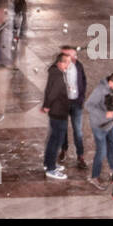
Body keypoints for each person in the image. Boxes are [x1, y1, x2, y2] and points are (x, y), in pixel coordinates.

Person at [86, 70, 113, 189]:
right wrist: (105, 114)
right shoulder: (100, 90)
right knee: (101, 151)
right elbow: (88, 105)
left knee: (112, 147)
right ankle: (94, 177)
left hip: (110, 124)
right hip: (99, 126)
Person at [41, 51, 76, 181]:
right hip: (59, 112)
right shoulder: (59, 76)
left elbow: (48, 90)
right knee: (56, 141)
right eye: (67, 63)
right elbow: (53, 93)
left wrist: (46, 105)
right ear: (60, 62)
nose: (69, 65)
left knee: (52, 139)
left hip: (55, 111)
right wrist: (47, 105)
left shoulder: (54, 71)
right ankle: (51, 168)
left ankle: (48, 163)